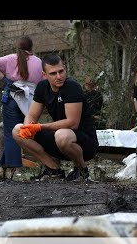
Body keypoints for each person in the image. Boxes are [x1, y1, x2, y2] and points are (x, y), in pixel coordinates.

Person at [13, 53, 98, 181]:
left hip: (84, 143)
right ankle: (53, 169)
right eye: (53, 73)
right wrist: (28, 127)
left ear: (65, 69)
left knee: (61, 135)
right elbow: (31, 115)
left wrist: (40, 127)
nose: (59, 76)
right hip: (59, 140)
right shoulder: (42, 87)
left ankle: (81, 170)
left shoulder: (72, 87)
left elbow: (72, 123)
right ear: (44, 74)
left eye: (61, 71)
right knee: (18, 130)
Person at [0, 36, 43, 180]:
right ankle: (5, 165)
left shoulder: (10, 58)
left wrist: (5, 80)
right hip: (31, 100)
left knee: (10, 133)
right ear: (32, 47)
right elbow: (44, 82)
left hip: (13, 95)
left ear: (17, 47)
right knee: (23, 131)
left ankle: (10, 165)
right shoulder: (38, 62)